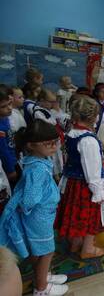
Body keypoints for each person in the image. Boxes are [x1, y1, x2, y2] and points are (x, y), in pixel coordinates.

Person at [0, 120, 69, 295]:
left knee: (39, 250)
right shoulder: (37, 169)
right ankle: (41, 288)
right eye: (48, 143)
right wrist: (29, 209)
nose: (54, 147)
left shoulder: (36, 159)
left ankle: (44, 275)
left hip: (41, 215)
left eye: (55, 142)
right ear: (31, 145)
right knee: (46, 251)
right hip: (38, 217)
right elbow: (29, 199)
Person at [55, 97, 104, 259]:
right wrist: (99, 192)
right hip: (85, 185)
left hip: (72, 182)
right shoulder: (88, 140)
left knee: (76, 213)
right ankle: (88, 249)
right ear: (93, 117)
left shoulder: (71, 133)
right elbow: (92, 170)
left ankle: (75, 243)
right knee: (90, 215)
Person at [0, 85, 17, 185]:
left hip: (13, 159)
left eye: (10, 103)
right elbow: (3, 151)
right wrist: (10, 170)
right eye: (3, 106)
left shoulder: (4, 117)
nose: (9, 108)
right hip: (6, 167)